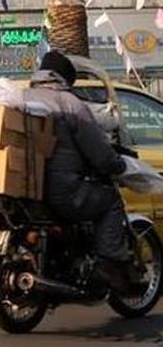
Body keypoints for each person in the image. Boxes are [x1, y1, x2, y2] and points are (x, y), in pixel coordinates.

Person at [33, 51, 140, 295]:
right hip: (62, 189)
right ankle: (109, 263)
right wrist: (116, 165)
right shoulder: (70, 104)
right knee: (109, 201)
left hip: (24, 191)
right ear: (65, 78)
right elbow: (97, 150)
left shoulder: (19, 98)